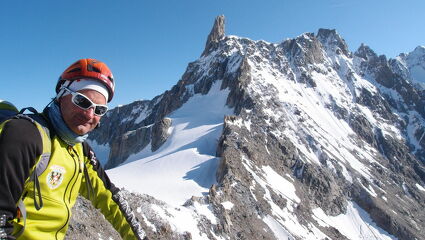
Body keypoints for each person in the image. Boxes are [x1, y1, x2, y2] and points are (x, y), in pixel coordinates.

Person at [0, 59, 146, 239]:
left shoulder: (80, 151)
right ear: (62, 94)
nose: (90, 115)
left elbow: (110, 198)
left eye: (100, 110)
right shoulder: (25, 135)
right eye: (82, 101)